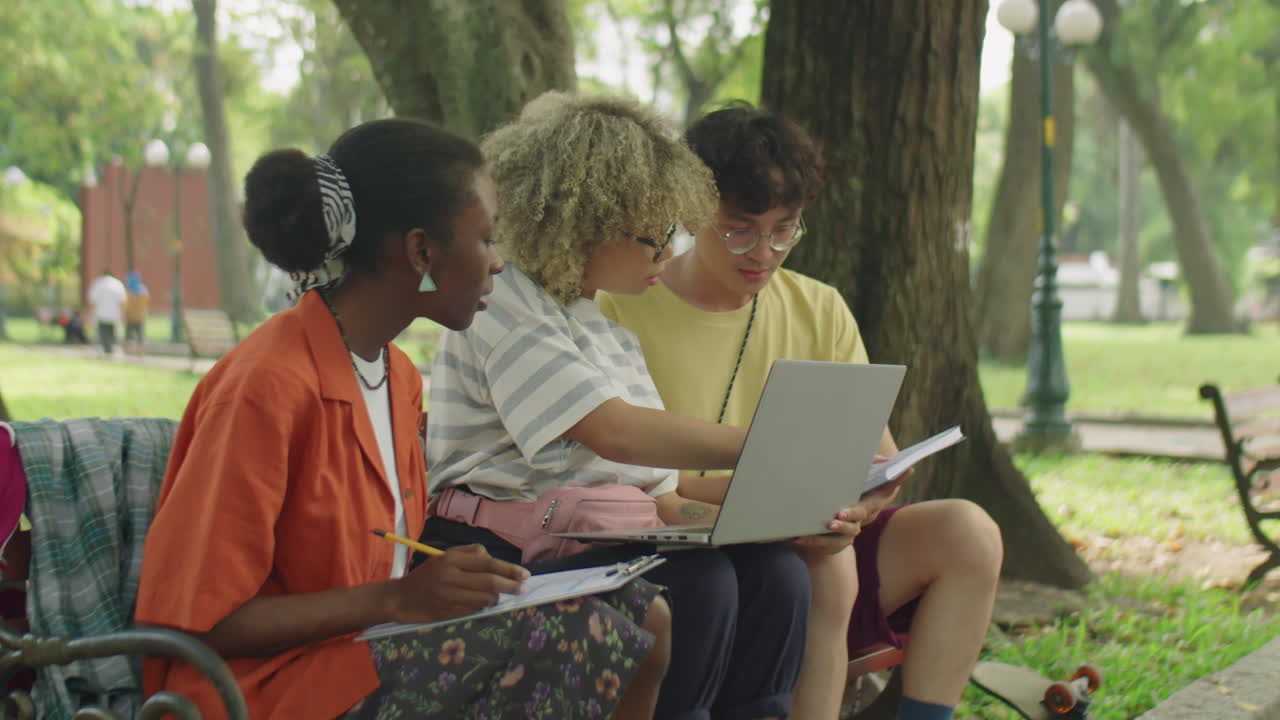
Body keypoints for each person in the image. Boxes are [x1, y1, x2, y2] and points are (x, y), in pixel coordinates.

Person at [135, 118, 672, 720]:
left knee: (636, 612)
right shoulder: (267, 386)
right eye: (488, 239)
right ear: (421, 251)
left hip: (358, 656)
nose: (499, 263)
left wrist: (436, 586)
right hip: (263, 692)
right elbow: (203, 623)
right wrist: (396, 598)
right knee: (578, 638)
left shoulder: (397, 379)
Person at [599, 103, 1005, 720]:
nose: (764, 252)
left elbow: (879, 460)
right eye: (739, 229)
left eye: (784, 229)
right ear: (691, 212)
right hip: (689, 547)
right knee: (815, 569)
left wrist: (857, 507)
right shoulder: (624, 308)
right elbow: (629, 468)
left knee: (967, 533)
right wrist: (765, 504)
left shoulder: (820, 307)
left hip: (814, 535)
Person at [425, 91, 813, 720]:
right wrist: (767, 441)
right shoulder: (504, 303)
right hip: (501, 549)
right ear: (587, 223)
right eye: (653, 233)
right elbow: (615, 433)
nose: (668, 250)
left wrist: (765, 514)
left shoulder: (604, 329)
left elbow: (659, 493)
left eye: (673, 230)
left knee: (776, 573)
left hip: (594, 534)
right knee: (700, 584)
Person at [87, 269, 126, 355]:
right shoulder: (118, 284)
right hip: (114, 314)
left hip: (101, 314)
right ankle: (111, 350)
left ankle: (104, 351)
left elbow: (93, 300)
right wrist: (123, 314)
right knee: (112, 334)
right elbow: (122, 301)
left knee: (102, 334)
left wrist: (90, 314)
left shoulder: (98, 283)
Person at [123, 270, 150, 355]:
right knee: (140, 336)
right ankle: (141, 353)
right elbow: (147, 302)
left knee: (129, 337)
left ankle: (129, 353)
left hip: (130, 317)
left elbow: (126, 305)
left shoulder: (129, 292)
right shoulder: (144, 290)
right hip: (140, 317)